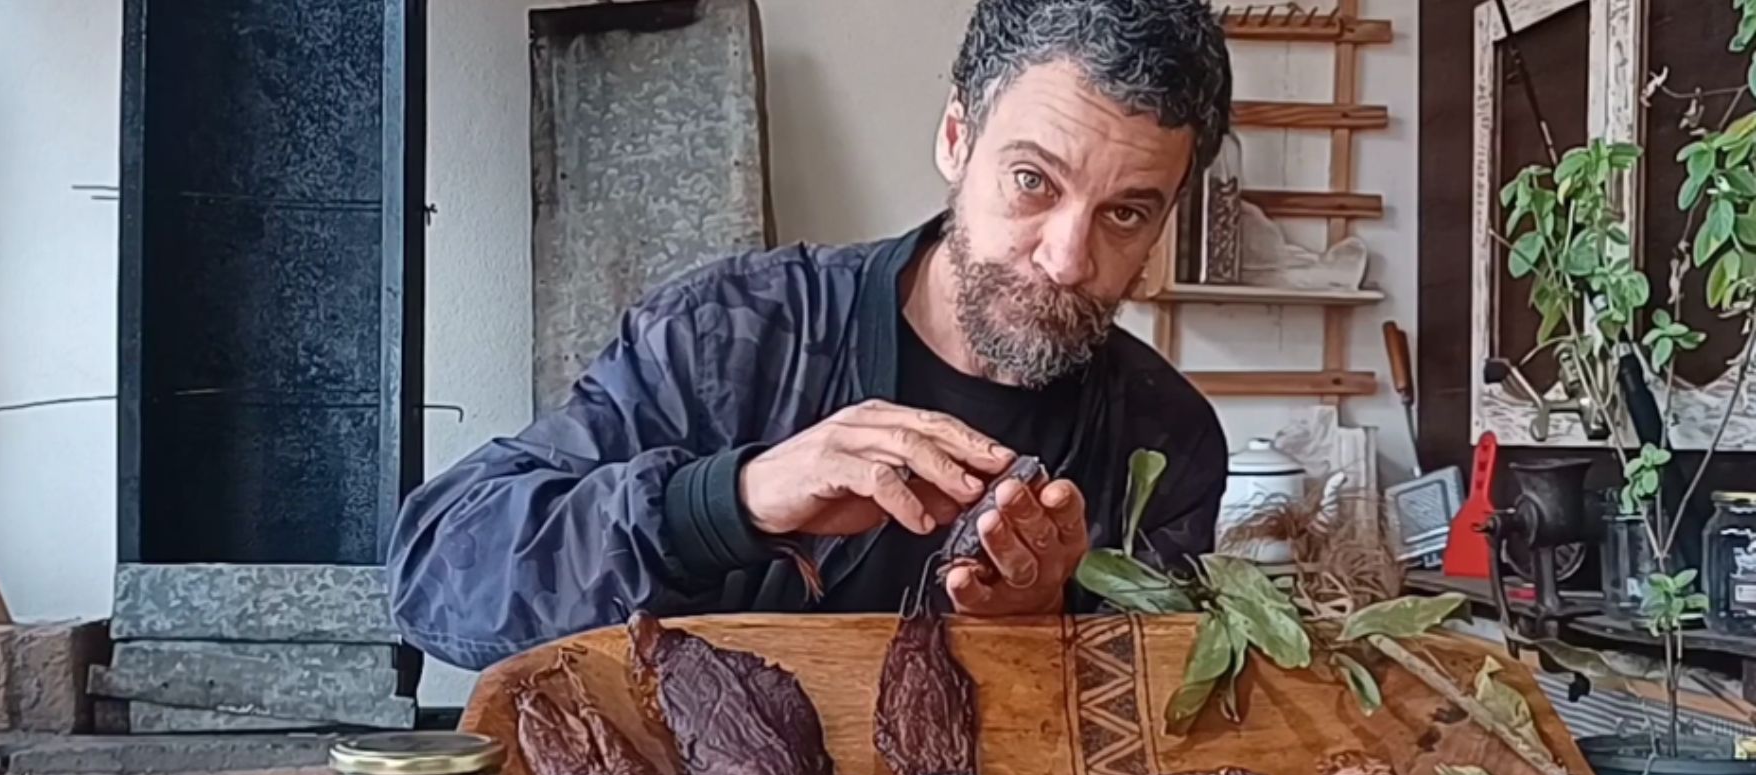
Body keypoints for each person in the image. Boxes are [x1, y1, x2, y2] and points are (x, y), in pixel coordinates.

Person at [390, 0, 1233, 671]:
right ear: (954, 139)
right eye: (1030, 181)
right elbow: (437, 576)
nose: (1067, 257)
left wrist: (1039, 636)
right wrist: (729, 501)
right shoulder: (732, 339)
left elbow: (1139, 762)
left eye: (1125, 213)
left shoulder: (1164, 440)